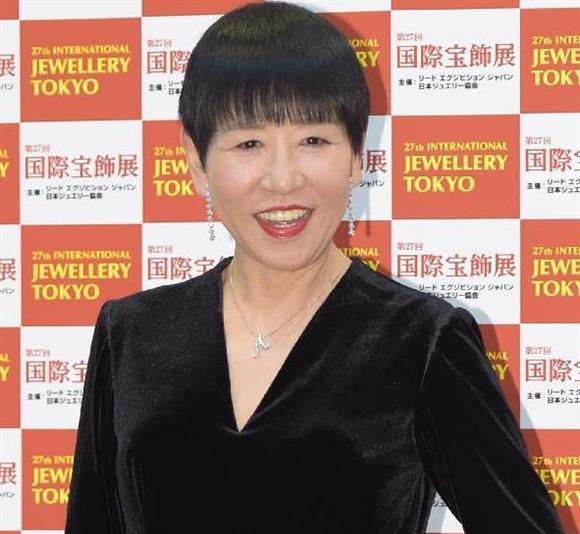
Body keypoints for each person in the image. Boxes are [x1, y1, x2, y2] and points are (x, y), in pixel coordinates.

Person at [64, 2, 565, 533]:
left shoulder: (423, 341)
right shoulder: (132, 334)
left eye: (313, 141)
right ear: (195, 160)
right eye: (249, 143)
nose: (283, 179)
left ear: (356, 155)